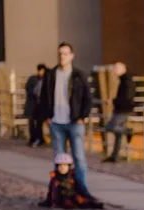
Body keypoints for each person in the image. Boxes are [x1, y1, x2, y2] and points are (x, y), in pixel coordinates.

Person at [40, 42, 96, 201]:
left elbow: (88, 98)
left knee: (79, 158)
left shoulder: (79, 75)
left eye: (65, 54)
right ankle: (61, 191)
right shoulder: (51, 75)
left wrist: (81, 117)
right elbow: (44, 97)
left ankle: (82, 191)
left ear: (71, 56)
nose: (62, 56)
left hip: (74, 122)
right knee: (59, 159)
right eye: (60, 53)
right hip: (56, 122)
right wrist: (47, 117)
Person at [38, 153, 103, 209]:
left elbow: (79, 189)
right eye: (60, 165)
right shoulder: (54, 178)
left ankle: (94, 204)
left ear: (68, 167)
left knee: (81, 201)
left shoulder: (72, 177)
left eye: (65, 165)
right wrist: (48, 202)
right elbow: (50, 191)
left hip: (72, 197)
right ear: (57, 167)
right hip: (58, 200)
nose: (62, 167)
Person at [103, 61, 135, 163]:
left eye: (117, 68)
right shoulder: (123, 80)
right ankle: (114, 155)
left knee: (111, 127)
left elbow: (127, 96)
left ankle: (128, 131)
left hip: (124, 109)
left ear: (124, 68)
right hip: (120, 108)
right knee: (117, 134)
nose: (115, 70)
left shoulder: (127, 80)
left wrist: (114, 101)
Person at [24, 64, 47, 147]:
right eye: (42, 71)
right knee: (31, 123)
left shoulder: (45, 80)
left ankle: (39, 139)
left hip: (40, 106)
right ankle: (33, 138)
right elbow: (28, 89)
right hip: (32, 105)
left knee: (39, 123)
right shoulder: (33, 79)